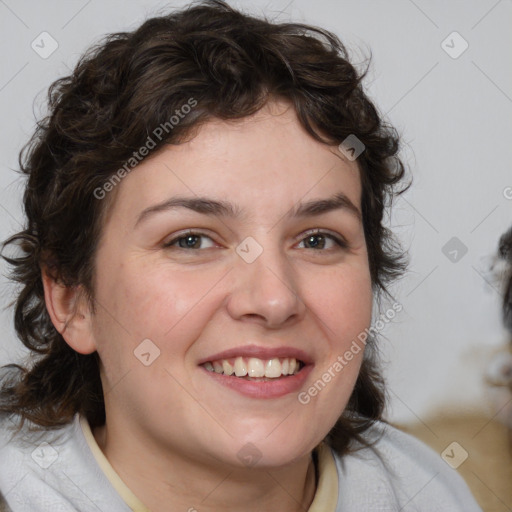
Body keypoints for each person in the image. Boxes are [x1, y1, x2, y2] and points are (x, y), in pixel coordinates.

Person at [0, 1, 483, 510]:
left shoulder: (428, 489)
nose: (274, 299)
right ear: (73, 301)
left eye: (317, 239)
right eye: (191, 240)